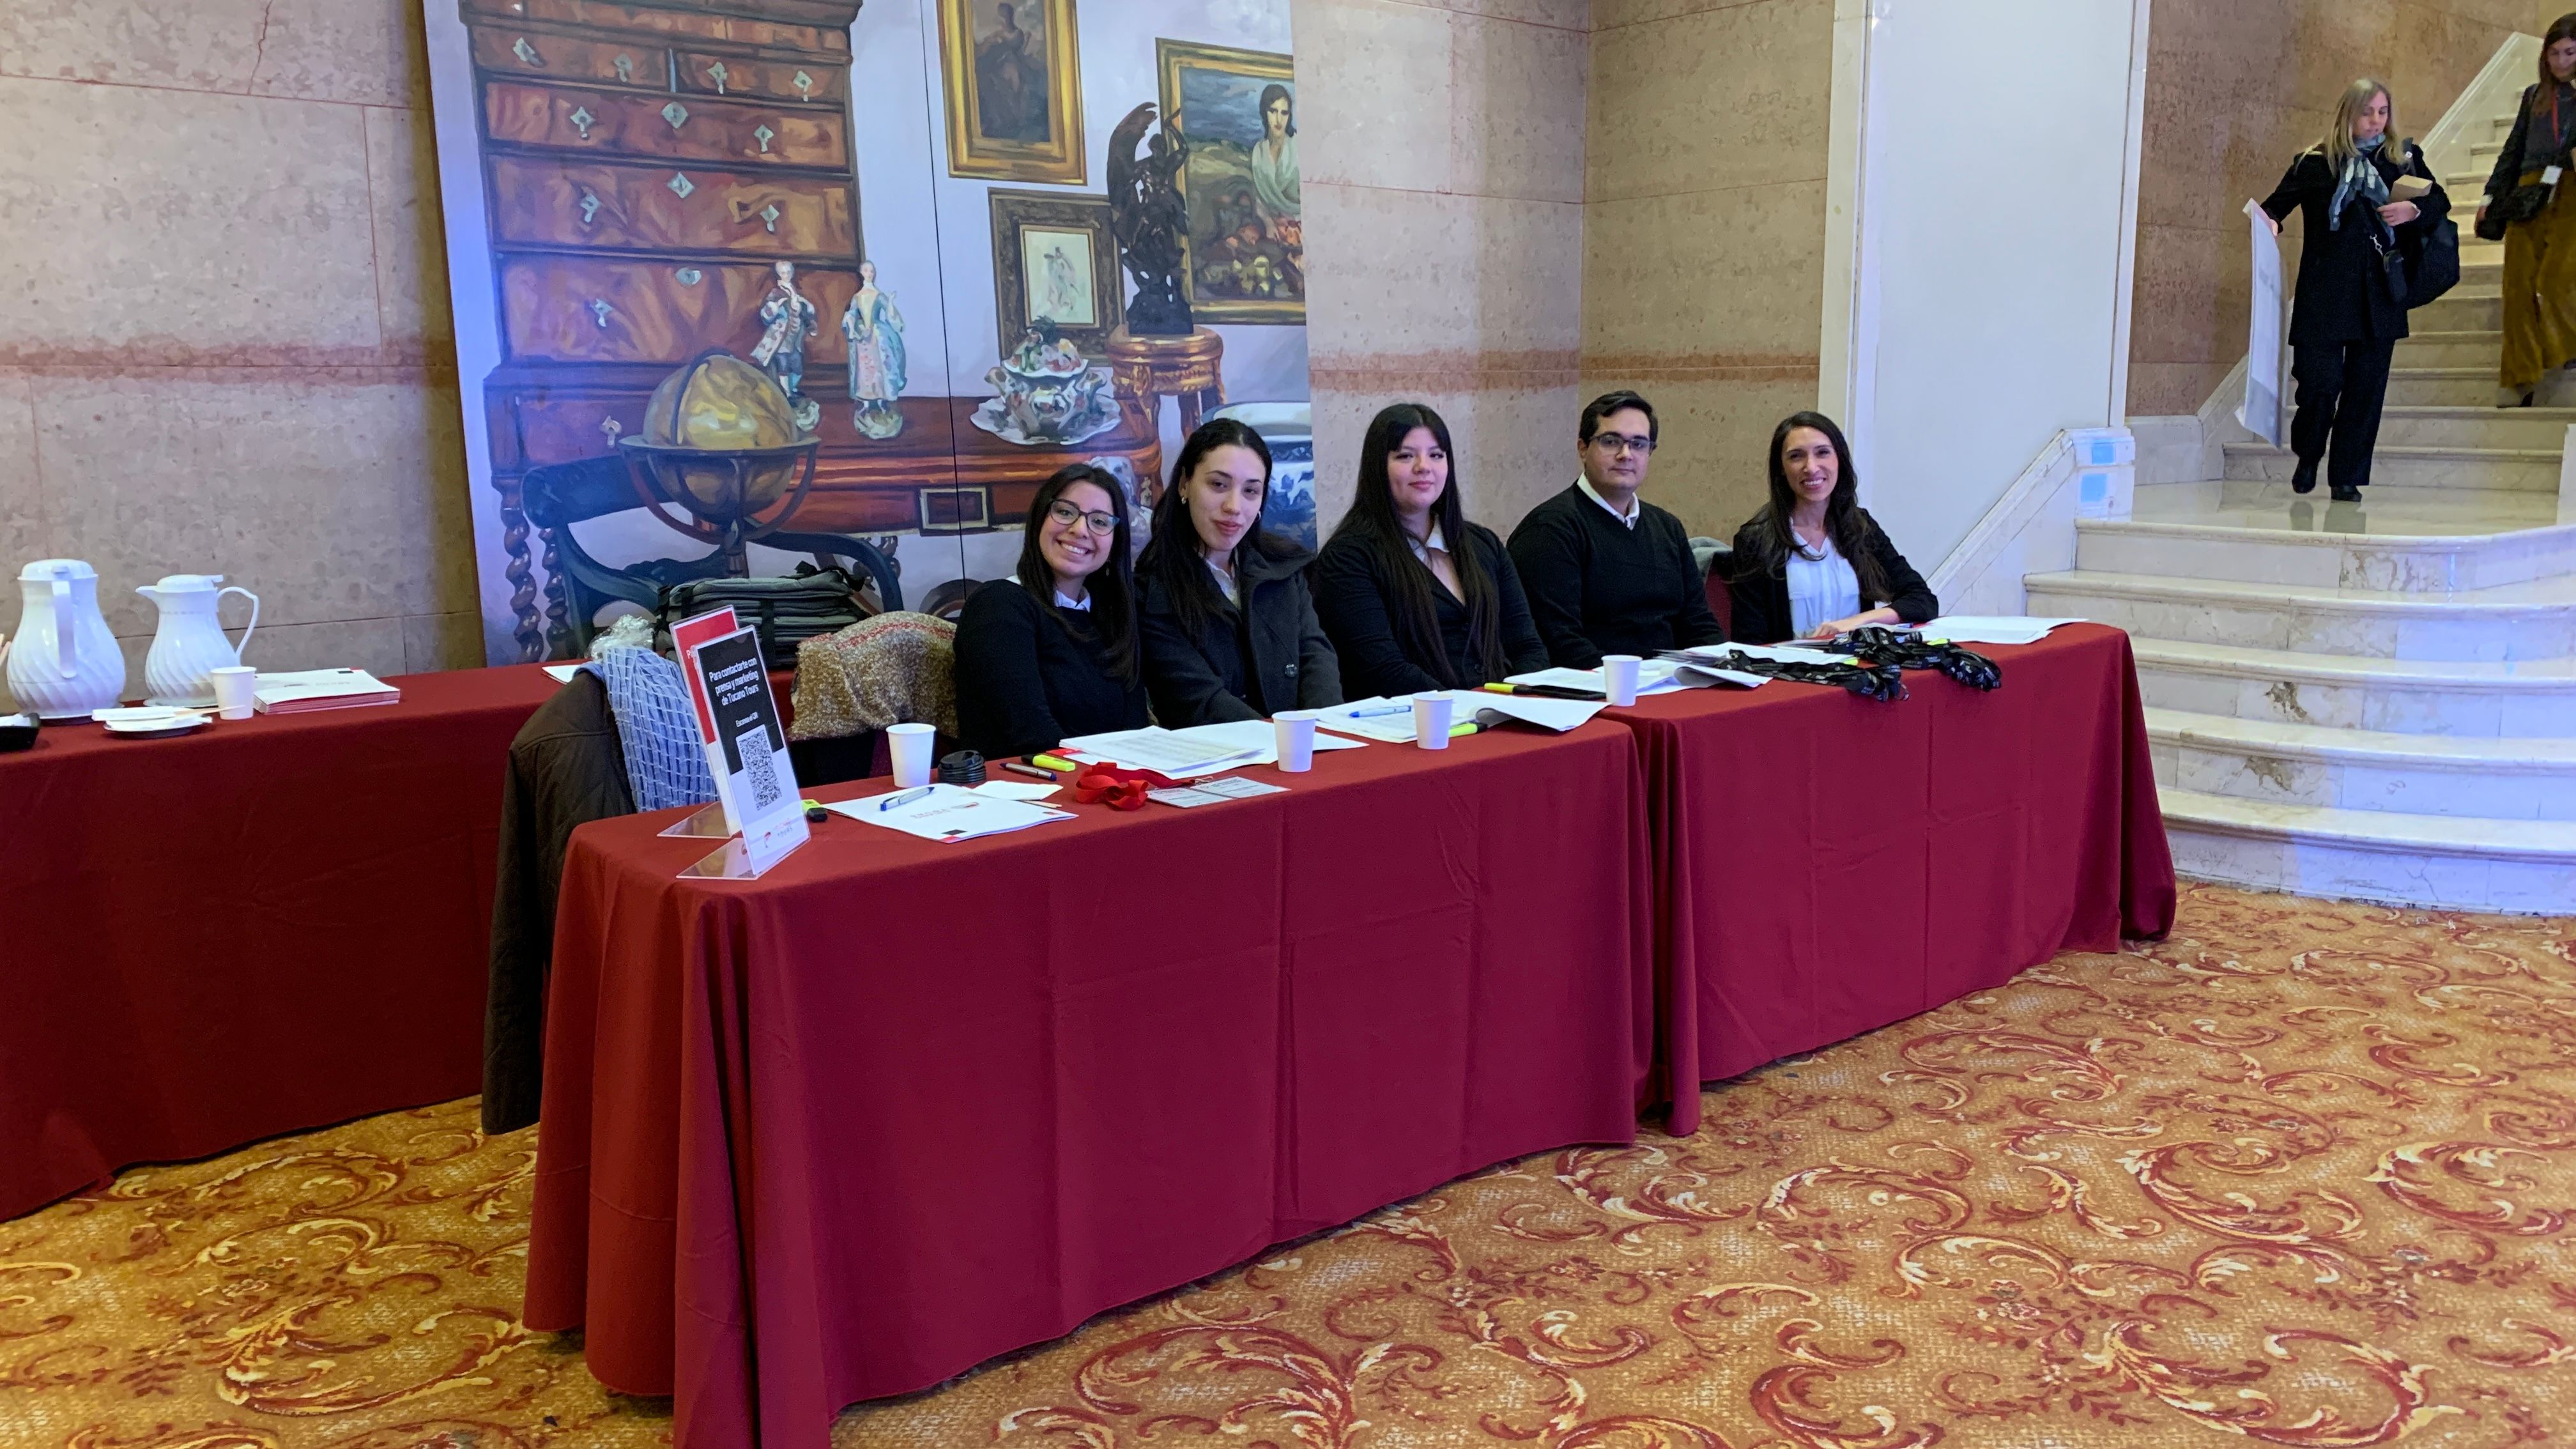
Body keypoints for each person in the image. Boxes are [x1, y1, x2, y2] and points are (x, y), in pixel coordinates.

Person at [2260, 79, 2449, 500]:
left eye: (2383, 112)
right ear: (2348, 114)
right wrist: (2269, 224)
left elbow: (2439, 201)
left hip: (2379, 293)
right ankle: (2309, 453)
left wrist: (2413, 209)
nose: (2376, 121)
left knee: (2365, 392)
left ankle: (2346, 476)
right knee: (2318, 385)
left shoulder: (2402, 159)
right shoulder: (2314, 163)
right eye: (2367, 112)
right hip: (2324, 293)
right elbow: (2275, 206)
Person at [1312, 403, 1549, 697]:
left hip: (1501, 713)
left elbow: (1527, 646)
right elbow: (1382, 670)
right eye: (1405, 456)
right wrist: (1468, 708)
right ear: (1377, 467)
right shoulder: (1347, 558)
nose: (1423, 466)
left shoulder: (1483, 544)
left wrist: (1519, 700)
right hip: (1416, 719)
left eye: (1436, 455)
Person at [1137, 418, 1342, 724]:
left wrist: (1324, 732)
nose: (1234, 506)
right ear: (1184, 484)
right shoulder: (1151, 591)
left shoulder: (1283, 568)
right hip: (1220, 751)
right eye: (1219, 485)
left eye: (1251, 491)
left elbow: (1316, 658)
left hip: (1305, 746)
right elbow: (1200, 700)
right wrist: (1283, 740)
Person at [1506, 390, 1727, 669]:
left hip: (1669, 682)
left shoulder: (1667, 527)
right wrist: (1632, 682)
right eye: (1611, 442)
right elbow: (1560, 641)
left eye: (1638, 444)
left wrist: (1720, 669)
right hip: (1596, 686)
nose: (1626, 455)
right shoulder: (1549, 530)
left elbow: (1699, 623)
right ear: (1583, 448)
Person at [953, 464, 1150, 759]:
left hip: (1111, 780)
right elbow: (1032, 736)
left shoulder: (1112, 617)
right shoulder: (999, 606)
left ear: (1115, 541)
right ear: (1040, 519)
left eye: (1099, 521)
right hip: (1028, 781)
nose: (1080, 530)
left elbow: (1136, 734)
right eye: (1066, 512)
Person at [1728, 411, 1937, 645]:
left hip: (1856, 664)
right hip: (1790, 666)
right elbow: (1749, 642)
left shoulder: (1861, 527)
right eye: (1796, 456)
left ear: (1839, 459)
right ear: (1782, 468)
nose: (1811, 467)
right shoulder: (1755, 540)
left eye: (1823, 453)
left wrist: (1859, 622)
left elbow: (1922, 600)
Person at [2485, 15, 2576, 408]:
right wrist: (2490, 197)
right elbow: (2513, 148)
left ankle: (2564, 346)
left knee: (2557, 279)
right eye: (2554, 53)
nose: (2561, 62)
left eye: (2569, 52)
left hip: (2571, 190)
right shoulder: (2534, 96)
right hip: (2528, 191)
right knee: (2517, 285)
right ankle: (2519, 376)